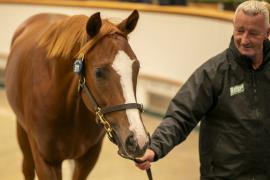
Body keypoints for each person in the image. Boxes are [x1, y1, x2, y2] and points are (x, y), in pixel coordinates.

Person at [136, 0, 270, 179]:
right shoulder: (213, 72)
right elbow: (180, 114)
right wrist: (155, 147)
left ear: (267, 33)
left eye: (253, 33)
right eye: (240, 31)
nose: (244, 40)